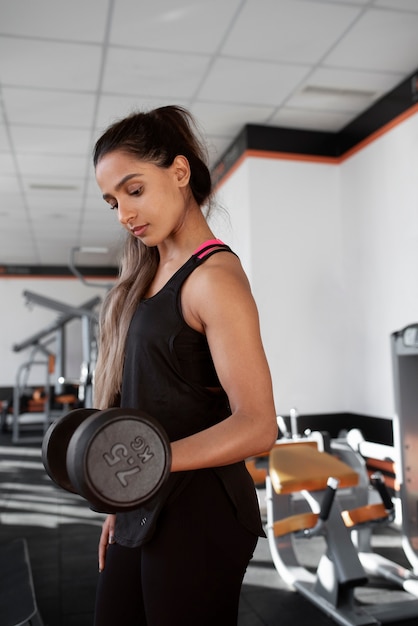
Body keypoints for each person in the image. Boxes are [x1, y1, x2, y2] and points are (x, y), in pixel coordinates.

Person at [92, 105, 278, 626]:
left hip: (201, 510)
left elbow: (259, 425)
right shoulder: (146, 276)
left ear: (179, 172)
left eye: (134, 190)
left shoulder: (213, 278)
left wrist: (146, 468)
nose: (124, 214)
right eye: (112, 201)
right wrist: (121, 498)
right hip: (146, 501)